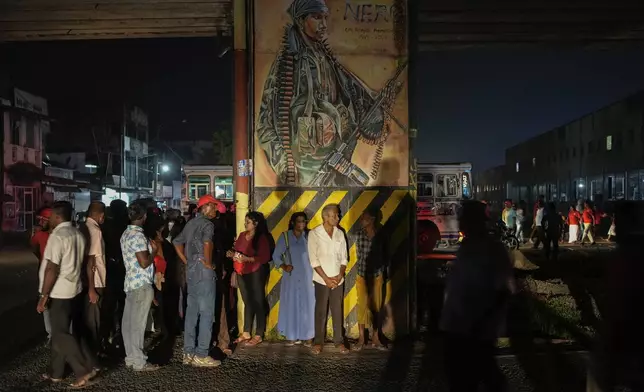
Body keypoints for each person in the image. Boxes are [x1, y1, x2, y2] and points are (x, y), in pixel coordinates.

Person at [256, 0, 400, 187]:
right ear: (301, 20)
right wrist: (285, 166)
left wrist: (377, 105)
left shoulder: (326, 59)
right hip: (306, 166)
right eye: (316, 18)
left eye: (325, 18)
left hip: (337, 156)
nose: (323, 24)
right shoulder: (288, 62)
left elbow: (353, 97)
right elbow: (265, 122)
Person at [440, 200, 515, 392]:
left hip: (475, 333)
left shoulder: (493, 250)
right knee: (465, 380)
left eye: (464, 219)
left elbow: (504, 291)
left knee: (479, 379)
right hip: (456, 330)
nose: (460, 224)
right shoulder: (466, 248)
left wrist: (481, 323)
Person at [37, 201, 98, 388]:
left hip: (59, 291)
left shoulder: (58, 236)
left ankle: (84, 369)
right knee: (60, 333)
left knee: (60, 333)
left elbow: (52, 269)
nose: (49, 220)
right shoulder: (78, 234)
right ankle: (56, 373)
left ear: (57, 216)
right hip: (74, 289)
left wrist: (44, 296)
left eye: (51, 216)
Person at [173, 195, 223, 367]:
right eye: (214, 206)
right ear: (206, 206)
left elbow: (176, 242)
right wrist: (209, 263)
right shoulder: (208, 224)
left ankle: (188, 352)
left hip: (192, 272)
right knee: (207, 313)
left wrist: (187, 261)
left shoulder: (190, 223)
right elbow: (207, 243)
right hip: (205, 273)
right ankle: (201, 354)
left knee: (192, 312)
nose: (216, 210)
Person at [120, 203, 159, 372]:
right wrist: (155, 251)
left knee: (128, 323)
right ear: (144, 217)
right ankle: (139, 362)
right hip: (141, 283)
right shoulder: (138, 236)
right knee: (137, 324)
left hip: (130, 282)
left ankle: (131, 357)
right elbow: (144, 262)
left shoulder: (126, 233)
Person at [308, 204, 349, 355]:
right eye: (335, 216)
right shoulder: (314, 234)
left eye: (338, 215)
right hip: (321, 280)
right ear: (325, 217)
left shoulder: (340, 233)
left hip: (338, 279)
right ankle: (318, 342)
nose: (338, 218)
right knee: (320, 311)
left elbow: (344, 258)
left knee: (337, 310)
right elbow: (313, 260)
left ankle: (339, 341)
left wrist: (339, 275)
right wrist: (326, 278)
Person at [228, 211, 271, 347]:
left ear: (256, 223)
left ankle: (259, 333)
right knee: (247, 301)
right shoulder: (242, 235)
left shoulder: (262, 238)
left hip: (255, 271)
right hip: (241, 271)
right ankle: (246, 332)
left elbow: (264, 257)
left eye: (248, 222)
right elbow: (236, 249)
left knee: (258, 301)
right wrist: (232, 254)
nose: (245, 224)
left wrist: (248, 259)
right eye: (245, 221)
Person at [272, 212, 315, 346]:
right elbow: (276, 256)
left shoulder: (309, 236)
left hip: (308, 276)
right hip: (291, 276)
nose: (302, 224)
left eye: (304, 221)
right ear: (292, 223)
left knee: (308, 305)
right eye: (299, 221)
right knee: (291, 305)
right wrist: (284, 266)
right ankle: (291, 335)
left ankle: (308, 335)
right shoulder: (285, 237)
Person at [354, 207, 388, 351]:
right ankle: (362, 338)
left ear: (372, 220)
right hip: (362, 274)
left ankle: (375, 337)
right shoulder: (359, 234)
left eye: (365, 217)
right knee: (362, 306)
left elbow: (386, 253)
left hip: (377, 275)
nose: (362, 220)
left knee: (377, 306)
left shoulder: (381, 234)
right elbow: (359, 254)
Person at [80, 202, 108, 358]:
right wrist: (92, 288)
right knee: (94, 319)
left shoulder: (83, 227)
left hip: (87, 280)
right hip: (96, 281)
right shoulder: (96, 231)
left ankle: (90, 352)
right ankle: (93, 355)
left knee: (89, 318)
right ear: (101, 216)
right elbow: (92, 259)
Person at [32, 207, 52, 342]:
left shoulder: (41, 235)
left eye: (44, 219)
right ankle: (53, 333)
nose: (41, 222)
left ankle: (52, 333)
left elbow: (34, 249)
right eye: (40, 219)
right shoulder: (40, 234)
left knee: (47, 301)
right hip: (48, 271)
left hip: (49, 271)